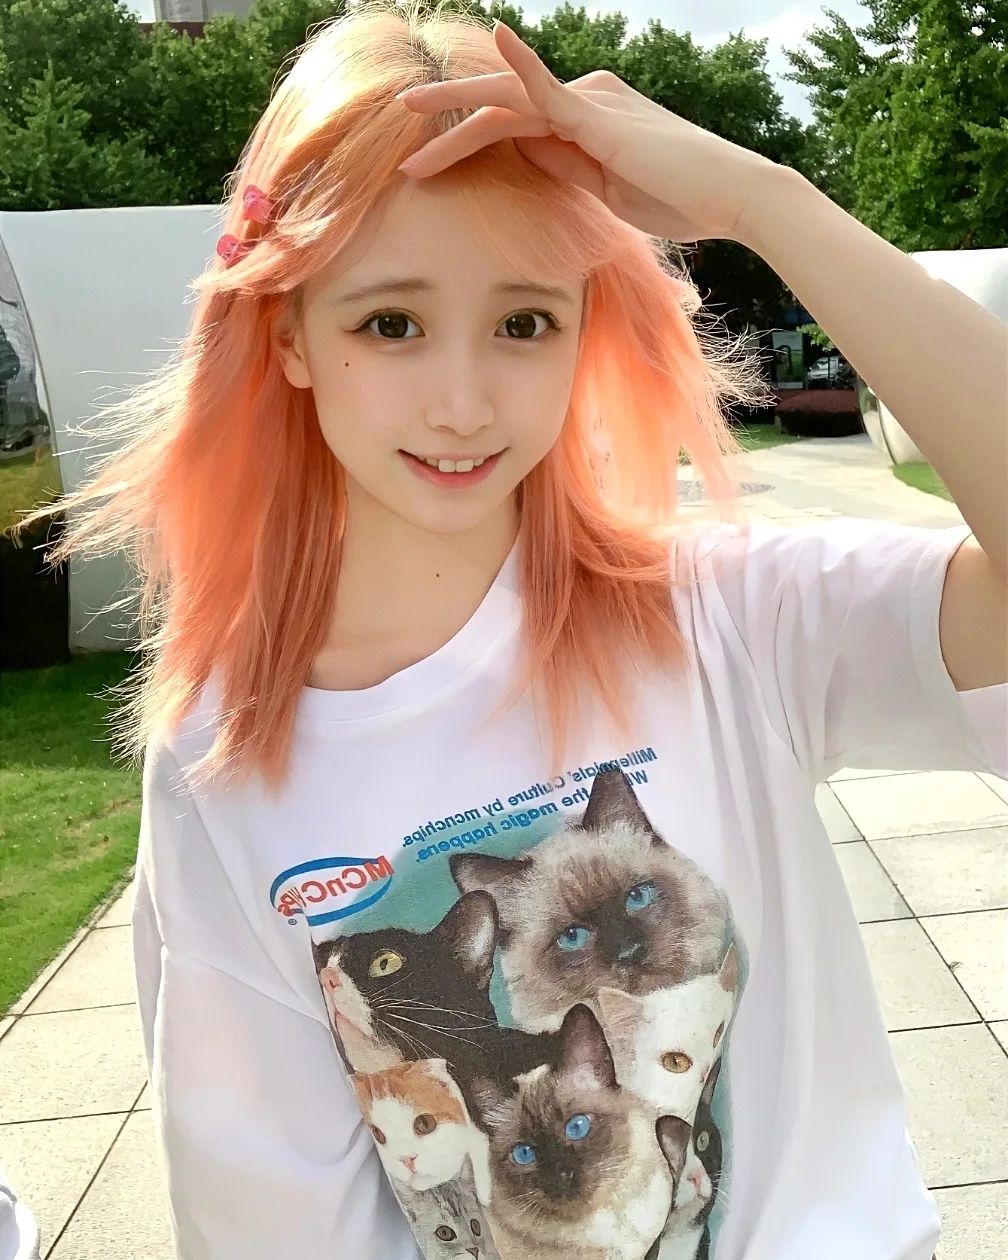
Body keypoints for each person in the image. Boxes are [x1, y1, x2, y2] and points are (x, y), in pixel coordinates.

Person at [14, 2, 1007, 1257]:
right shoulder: (225, 754)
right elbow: (277, 1222)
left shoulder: (730, 618)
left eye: (524, 321)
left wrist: (768, 203)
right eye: (391, 322)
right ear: (289, 335)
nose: (464, 401)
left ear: (583, 332)